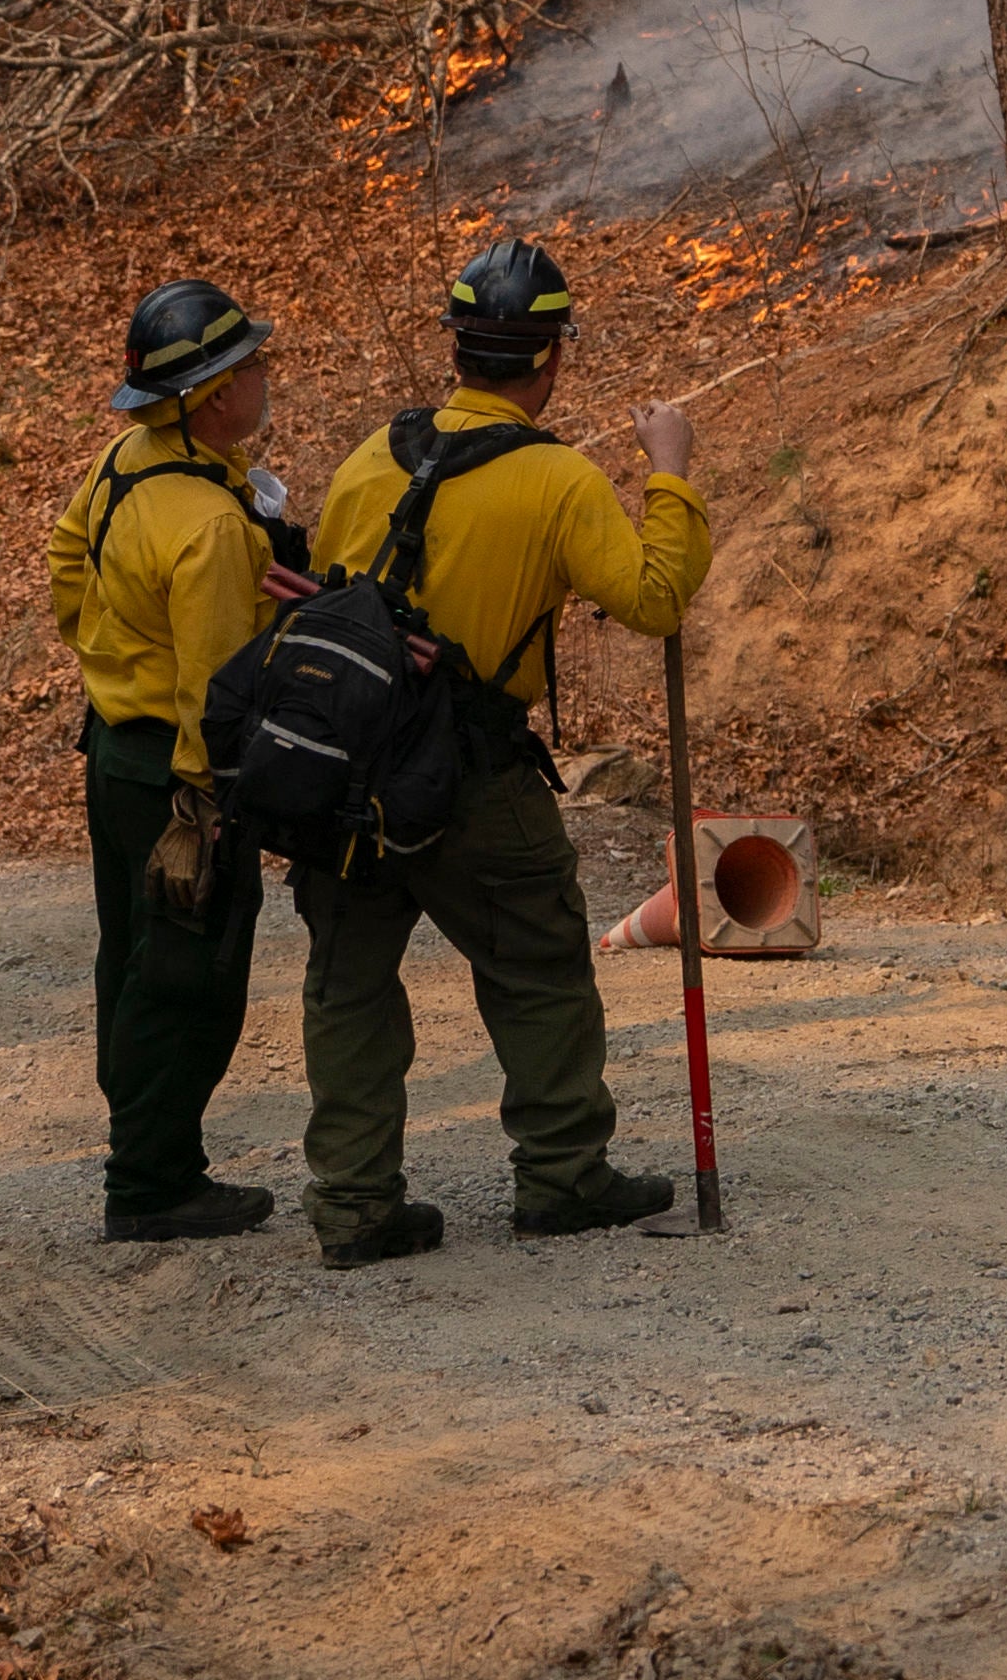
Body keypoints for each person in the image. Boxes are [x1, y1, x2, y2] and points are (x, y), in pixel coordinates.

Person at [289, 235, 710, 1269]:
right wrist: (670, 475)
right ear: (552, 356)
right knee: (538, 965)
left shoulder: (367, 458)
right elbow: (654, 599)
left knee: (349, 983)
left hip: (346, 774)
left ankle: (353, 1205)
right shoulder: (557, 480)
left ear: (457, 348)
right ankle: (563, 1177)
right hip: (471, 768)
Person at [47, 277, 309, 1242]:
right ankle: (151, 1186)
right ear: (210, 397)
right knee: (188, 976)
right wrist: (210, 802)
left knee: (133, 959)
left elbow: (66, 565)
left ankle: (153, 1155)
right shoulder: (206, 526)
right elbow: (217, 686)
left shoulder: (129, 460)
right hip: (179, 778)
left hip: (117, 754)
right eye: (251, 366)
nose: (264, 377)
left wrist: (111, 650)